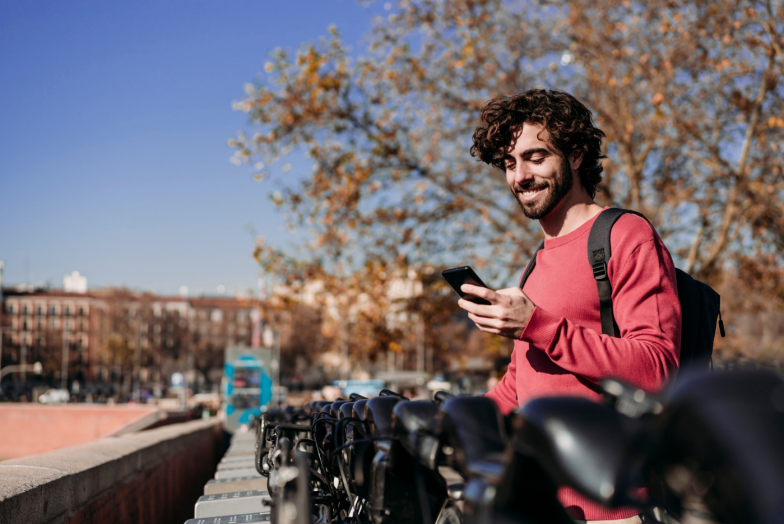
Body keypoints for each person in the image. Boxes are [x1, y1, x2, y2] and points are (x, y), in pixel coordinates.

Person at [462, 89, 681, 523]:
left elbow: (657, 368)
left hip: (613, 512)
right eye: (509, 164)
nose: (520, 176)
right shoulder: (534, 267)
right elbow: (522, 383)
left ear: (577, 155)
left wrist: (538, 325)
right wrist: (459, 419)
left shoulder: (624, 235)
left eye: (536, 157)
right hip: (540, 507)